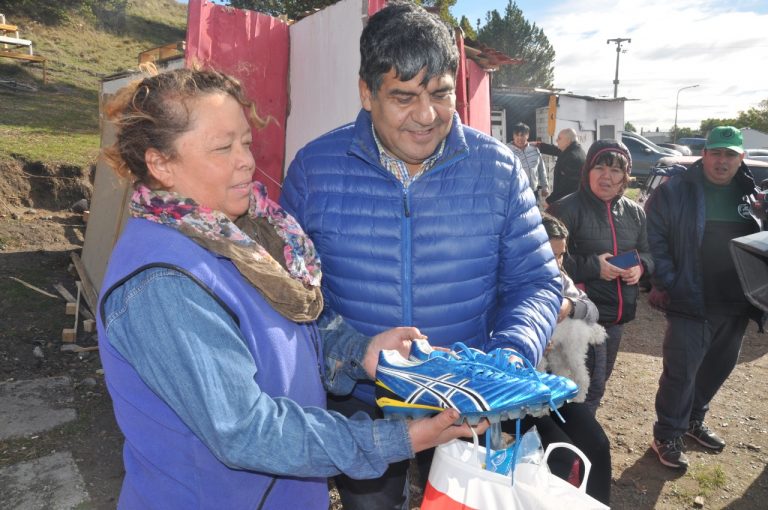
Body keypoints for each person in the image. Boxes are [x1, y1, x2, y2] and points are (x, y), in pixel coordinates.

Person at [96, 66, 486, 509]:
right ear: (160, 164)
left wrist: (361, 353)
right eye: (223, 147)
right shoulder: (162, 283)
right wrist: (397, 439)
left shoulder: (238, 234)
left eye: (246, 142)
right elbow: (246, 430)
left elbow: (287, 337)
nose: (246, 160)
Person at [279, 2, 562, 508]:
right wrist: (353, 351)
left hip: (470, 404)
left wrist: (512, 352)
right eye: (404, 97)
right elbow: (288, 297)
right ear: (367, 93)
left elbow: (536, 282)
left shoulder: (499, 171)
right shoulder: (313, 171)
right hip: (361, 403)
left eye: (441, 94)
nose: (427, 116)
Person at [646, 126, 762, 470]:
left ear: (741, 158)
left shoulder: (751, 194)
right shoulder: (676, 190)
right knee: (680, 373)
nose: (722, 161)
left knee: (717, 368)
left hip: (737, 302)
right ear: (705, 154)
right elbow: (653, 238)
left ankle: (693, 420)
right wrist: (670, 281)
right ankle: (667, 434)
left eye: (730, 155)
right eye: (717, 153)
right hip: (690, 300)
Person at [547, 139, 653, 415]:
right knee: (581, 386)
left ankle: (574, 433)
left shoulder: (635, 213)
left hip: (616, 317)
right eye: (600, 168)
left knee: (597, 382)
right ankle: (573, 436)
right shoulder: (563, 209)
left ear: (625, 176)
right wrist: (594, 266)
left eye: (615, 170)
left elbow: (649, 253)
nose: (607, 176)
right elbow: (546, 262)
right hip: (577, 317)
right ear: (587, 170)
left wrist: (641, 267)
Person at [521, 213, 612, 506]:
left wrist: (570, 305)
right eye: (550, 255)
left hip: (553, 386)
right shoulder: (508, 280)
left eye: (561, 255)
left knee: (597, 444)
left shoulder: (560, 279)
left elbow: (592, 310)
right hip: (517, 393)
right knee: (562, 454)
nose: (557, 263)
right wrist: (529, 344)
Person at [538, 127, 586, 204]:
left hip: (569, 203)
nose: (556, 140)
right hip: (573, 200)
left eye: (559, 138)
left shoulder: (571, 157)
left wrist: (549, 201)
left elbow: (565, 187)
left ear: (568, 141)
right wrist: (538, 145)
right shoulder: (574, 150)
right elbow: (555, 150)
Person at [508, 122, 549, 203]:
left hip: (533, 192)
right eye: (517, 135)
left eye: (522, 135)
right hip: (516, 193)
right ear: (513, 136)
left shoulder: (535, 150)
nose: (519, 138)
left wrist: (545, 186)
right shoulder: (507, 151)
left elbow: (541, 169)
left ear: (527, 135)